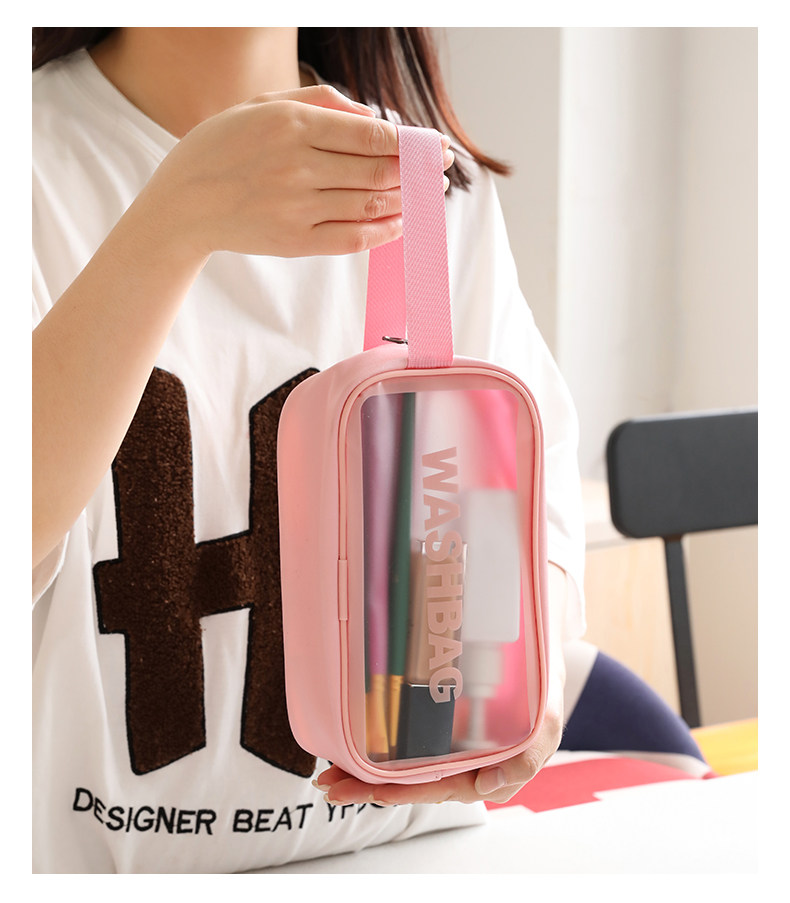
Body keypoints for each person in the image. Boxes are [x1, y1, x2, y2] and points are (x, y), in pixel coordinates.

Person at [32, 27, 587, 873]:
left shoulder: (430, 184)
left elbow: (537, 518)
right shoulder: (34, 163)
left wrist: (534, 679)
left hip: (414, 858)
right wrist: (175, 218)